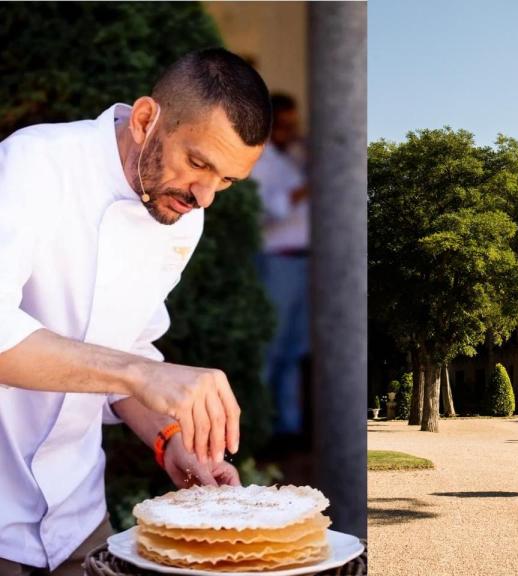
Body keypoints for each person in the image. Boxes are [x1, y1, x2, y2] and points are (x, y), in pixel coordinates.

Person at [0, 48, 271, 574]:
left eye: (227, 182)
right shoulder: (34, 163)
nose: (205, 197)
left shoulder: (181, 214)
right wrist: (143, 373)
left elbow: (127, 347)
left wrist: (168, 439)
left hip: (79, 520)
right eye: (198, 163)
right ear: (147, 119)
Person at [250, 93, 310, 440]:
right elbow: (273, 211)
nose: (291, 130)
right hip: (277, 261)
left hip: (304, 263)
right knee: (269, 348)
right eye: (284, 123)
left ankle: (287, 425)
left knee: (294, 349)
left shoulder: (293, 159)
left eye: (293, 123)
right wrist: (311, 187)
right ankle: (256, 428)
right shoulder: (259, 161)